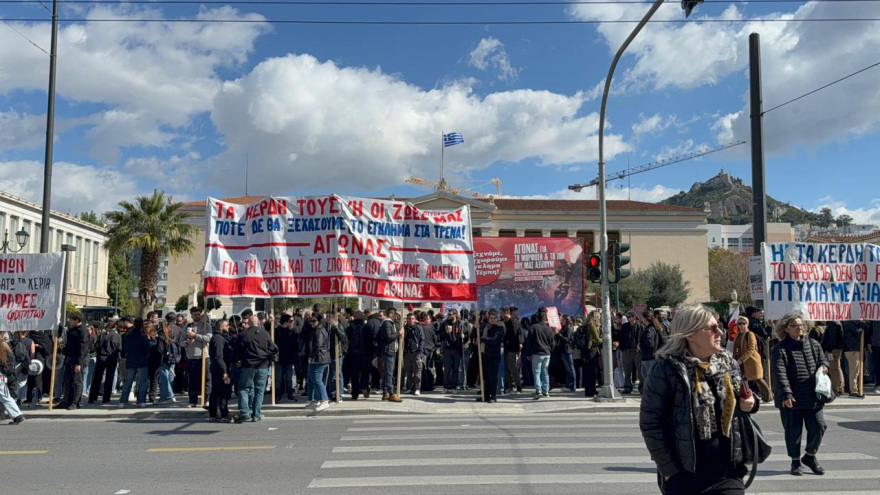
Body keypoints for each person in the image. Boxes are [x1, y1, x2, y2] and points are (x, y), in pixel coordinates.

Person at [640, 305, 758, 495]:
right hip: (685, 476)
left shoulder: (728, 363)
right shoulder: (665, 369)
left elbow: (744, 400)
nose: (720, 332)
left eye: (718, 326)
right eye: (711, 328)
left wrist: (751, 403)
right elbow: (650, 423)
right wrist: (669, 472)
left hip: (727, 474)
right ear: (690, 334)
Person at [771, 312, 830, 476]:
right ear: (786, 329)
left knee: (819, 426)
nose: (799, 328)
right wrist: (786, 394)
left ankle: (810, 456)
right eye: (794, 325)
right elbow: (779, 373)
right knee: (793, 431)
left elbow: (823, 360)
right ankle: (795, 462)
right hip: (792, 398)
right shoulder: (779, 349)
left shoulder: (813, 344)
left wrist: (824, 367)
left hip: (813, 396)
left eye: (801, 325)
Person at [234, 315, 278, 423]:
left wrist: (237, 360)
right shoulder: (265, 334)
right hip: (262, 365)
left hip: (248, 365)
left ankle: (245, 412)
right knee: (259, 390)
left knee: (244, 389)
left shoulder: (243, 334)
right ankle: (256, 414)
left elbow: (236, 350)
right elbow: (272, 349)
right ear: (258, 322)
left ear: (248, 322)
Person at [732, 316, 771, 403]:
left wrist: (741, 359)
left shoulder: (750, 334)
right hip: (741, 361)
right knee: (743, 379)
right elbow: (736, 348)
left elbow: (751, 349)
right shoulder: (738, 334)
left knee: (758, 379)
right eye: (740, 323)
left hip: (752, 360)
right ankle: (748, 396)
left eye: (744, 323)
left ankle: (769, 396)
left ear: (747, 324)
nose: (742, 325)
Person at [58, 312, 90, 410]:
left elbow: (83, 348)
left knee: (76, 381)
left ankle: (75, 402)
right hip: (69, 358)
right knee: (68, 380)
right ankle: (66, 400)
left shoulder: (83, 331)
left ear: (76, 320)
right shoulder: (71, 330)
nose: (69, 321)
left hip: (77, 359)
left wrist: (79, 363)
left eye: (71, 319)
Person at [182, 307, 212, 407]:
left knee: (206, 379)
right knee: (192, 381)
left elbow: (208, 338)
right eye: (195, 314)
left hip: (204, 356)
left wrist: (195, 335)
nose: (197, 316)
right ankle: (192, 401)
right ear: (191, 315)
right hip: (191, 357)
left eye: (199, 314)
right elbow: (180, 342)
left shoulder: (206, 326)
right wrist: (187, 342)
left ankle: (206, 399)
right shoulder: (187, 326)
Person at [119, 319, 153, 408]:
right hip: (141, 360)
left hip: (130, 359)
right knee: (142, 382)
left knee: (128, 381)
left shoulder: (128, 335)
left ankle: (123, 401)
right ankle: (142, 401)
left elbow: (125, 347)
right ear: (142, 325)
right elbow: (147, 348)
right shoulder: (143, 335)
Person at [88, 320, 121, 404]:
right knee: (109, 378)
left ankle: (92, 397)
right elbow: (119, 348)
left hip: (101, 356)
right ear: (116, 326)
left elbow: (97, 345)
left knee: (97, 377)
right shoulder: (117, 336)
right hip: (111, 357)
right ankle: (106, 398)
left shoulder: (102, 335)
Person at [526, 308, 556, 399]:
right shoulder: (549, 329)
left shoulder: (533, 328)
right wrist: (550, 350)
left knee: (537, 372)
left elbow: (529, 342)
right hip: (547, 353)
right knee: (545, 372)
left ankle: (538, 390)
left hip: (537, 353)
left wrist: (528, 353)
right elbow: (553, 343)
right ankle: (546, 391)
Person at [306, 315, 332, 412]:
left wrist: (312, 356)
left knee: (317, 380)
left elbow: (318, 345)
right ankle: (316, 400)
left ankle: (324, 400)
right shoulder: (317, 330)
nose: (312, 322)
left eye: (314, 321)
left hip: (320, 358)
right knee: (313, 379)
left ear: (319, 322)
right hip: (319, 357)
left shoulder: (319, 331)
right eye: (311, 321)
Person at [345, 311, 373, 400]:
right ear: (362, 317)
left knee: (354, 374)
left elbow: (346, 341)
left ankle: (355, 392)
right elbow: (371, 341)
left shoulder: (350, 328)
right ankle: (364, 387)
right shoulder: (367, 327)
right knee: (365, 372)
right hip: (365, 354)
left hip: (353, 355)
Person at [479, 309, 505, 403]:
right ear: (488, 318)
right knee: (486, 377)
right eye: (491, 318)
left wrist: (483, 339)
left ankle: (493, 396)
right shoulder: (486, 327)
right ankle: (486, 396)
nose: (492, 320)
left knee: (493, 377)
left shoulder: (499, 328)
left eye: (494, 318)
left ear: (497, 319)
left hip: (494, 356)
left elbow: (495, 340)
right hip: (485, 354)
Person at [577, 311, 603, 397]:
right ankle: (591, 390)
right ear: (595, 317)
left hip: (585, 350)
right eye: (598, 316)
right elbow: (597, 338)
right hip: (591, 350)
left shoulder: (586, 324)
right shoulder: (592, 325)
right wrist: (604, 339)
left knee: (588, 370)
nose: (599, 318)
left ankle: (589, 390)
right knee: (592, 371)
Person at [379, 308, 403, 402]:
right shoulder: (387, 323)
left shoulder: (391, 323)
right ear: (391, 314)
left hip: (391, 350)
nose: (396, 316)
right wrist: (398, 333)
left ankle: (386, 392)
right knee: (389, 373)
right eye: (395, 314)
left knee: (387, 372)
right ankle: (391, 392)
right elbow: (389, 337)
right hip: (388, 350)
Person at [274, 314, 299, 403]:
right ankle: (277, 395)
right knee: (278, 379)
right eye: (291, 321)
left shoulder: (293, 331)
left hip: (289, 358)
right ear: (285, 322)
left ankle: (289, 394)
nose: (292, 323)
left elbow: (296, 344)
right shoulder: (277, 331)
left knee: (289, 378)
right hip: (279, 358)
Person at [0, 339, 25, 424]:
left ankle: (17, 415)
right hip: (2, 377)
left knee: (5, 397)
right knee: (5, 397)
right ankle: (17, 415)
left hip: (1, 377)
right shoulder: (7, 353)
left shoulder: (4, 354)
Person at [618, 311, 642, 394]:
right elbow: (621, 337)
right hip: (627, 351)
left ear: (634, 317)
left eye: (630, 317)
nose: (629, 319)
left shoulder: (640, 326)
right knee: (627, 370)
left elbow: (641, 338)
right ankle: (628, 387)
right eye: (628, 317)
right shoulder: (625, 326)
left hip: (637, 351)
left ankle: (641, 388)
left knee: (639, 370)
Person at [502, 306, 524, 393]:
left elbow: (515, 336)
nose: (501, 315)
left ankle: (518, 386)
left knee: (512, 368)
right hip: (507, 349)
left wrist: (517, 347)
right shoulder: (506, 322)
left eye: (502, 313)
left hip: (511, 349)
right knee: (507, 368)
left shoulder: (514, 322)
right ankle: (509, 386)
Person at [842, 320, 867, 398]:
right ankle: (853, 390)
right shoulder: (849, 323)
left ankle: (856, 388)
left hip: (854, 349)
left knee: (856, 370)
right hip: (852, 349)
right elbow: (857, 332)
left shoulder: (851, 323)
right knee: (854, 371)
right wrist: (862, 325)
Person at [403, 312, 425, 395]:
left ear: (415, 319)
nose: (411, 320)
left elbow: (422, 340)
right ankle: (410, 387)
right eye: (409, 319)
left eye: (412, 319)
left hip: (416, 352)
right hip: (407, 353)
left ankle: (417, 388)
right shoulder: (405, 328)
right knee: (409, 372)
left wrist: (420, 351)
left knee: (417, 371)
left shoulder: (418, 328)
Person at [820, 321, 844, 395]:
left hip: (832, 350)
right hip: (836, 348)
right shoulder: (836, 323)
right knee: (837, 368)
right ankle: (840, 386)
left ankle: (835, 387)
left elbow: (831, 338)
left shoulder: (832, 324)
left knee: (834, 369)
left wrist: (829, 349)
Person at [556, 315, 576, 392]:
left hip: (567, 350)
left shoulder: (568, 329)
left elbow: (567, 340)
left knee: (571, 368)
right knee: (568, 369)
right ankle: (568, 385)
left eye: (563, 320)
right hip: (563, 350)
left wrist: (558, 334)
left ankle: (572, 386)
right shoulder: (564, 328)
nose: (561, 321)